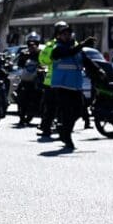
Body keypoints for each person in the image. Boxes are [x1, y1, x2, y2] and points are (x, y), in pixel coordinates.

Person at [47, 21, 95, 150]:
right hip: (62, 86)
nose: (67, 36)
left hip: (75, 86)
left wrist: (100, 71)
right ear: (58, 36)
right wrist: (83, 44)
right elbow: (68, 52)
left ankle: (64, 129)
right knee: (68, 112)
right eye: (64, 34)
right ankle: (66, 135)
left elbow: (87, 62)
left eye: (69, 34)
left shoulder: (77, 50)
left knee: (79, 111)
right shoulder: (58, 48)